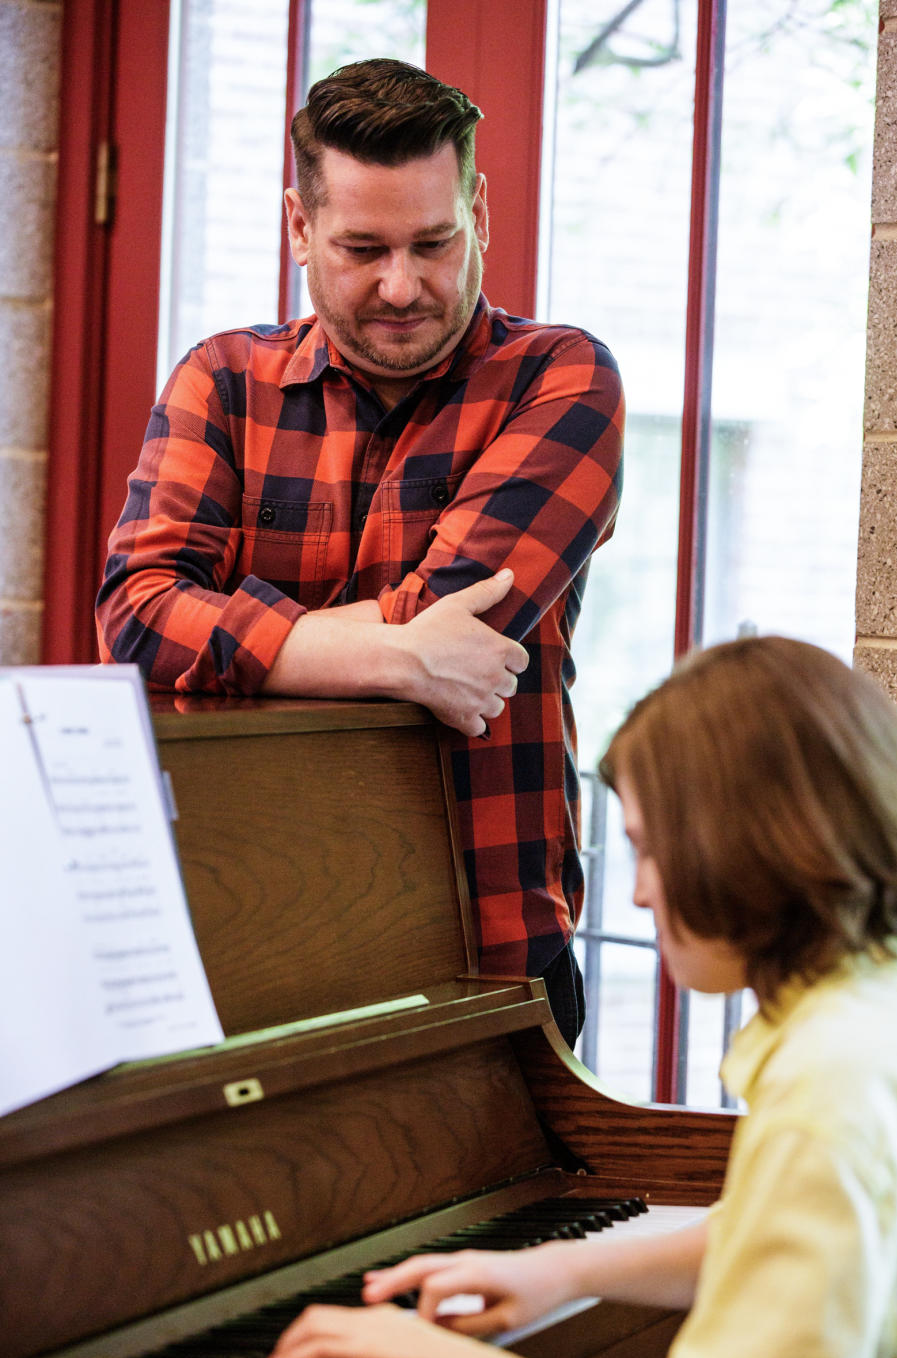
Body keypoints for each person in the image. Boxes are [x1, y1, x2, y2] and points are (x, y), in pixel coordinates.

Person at [265, 635, 897, 1358]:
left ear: (739, 847)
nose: (637, 894)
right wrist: (558, 1267)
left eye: (648, 850)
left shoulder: (832, 1089)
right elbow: (778, 1254)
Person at [95, 59, 624, 1048]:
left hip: (496, 953)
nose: (402, 285)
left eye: (434, 243)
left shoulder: (560, 377)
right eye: (362, 248)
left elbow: (462, 617)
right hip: (256, 943)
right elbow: (133, 620)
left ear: (480, 212)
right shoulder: (221, 380)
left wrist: (236, 632)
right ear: (299, 226)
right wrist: (393, 655)